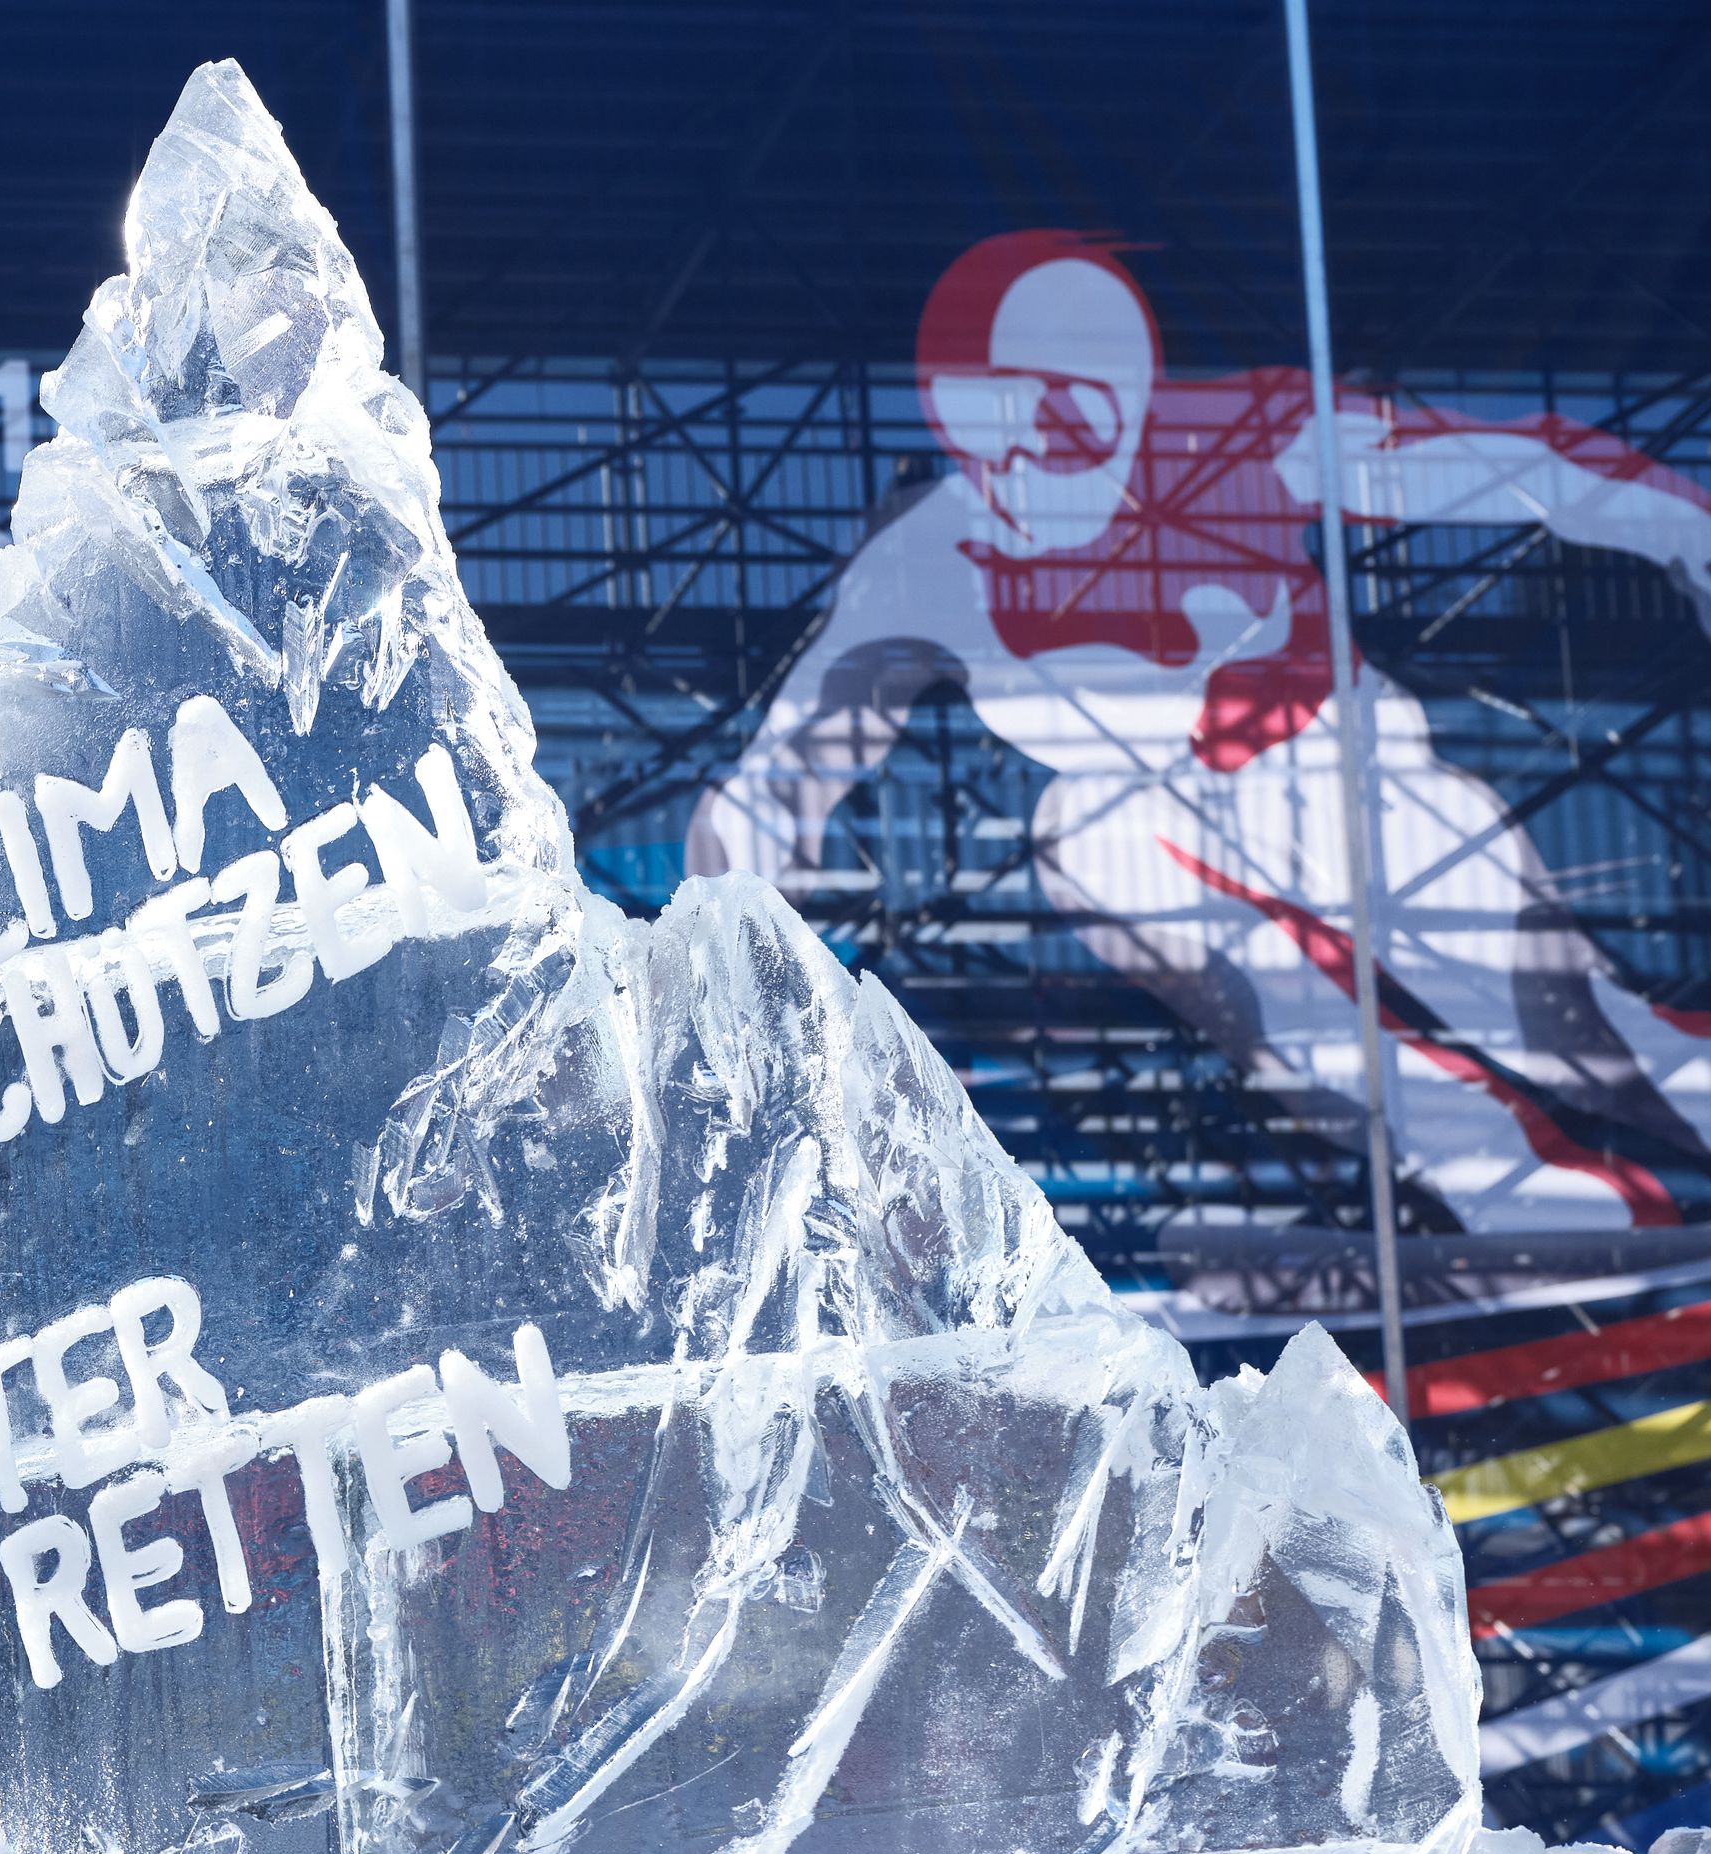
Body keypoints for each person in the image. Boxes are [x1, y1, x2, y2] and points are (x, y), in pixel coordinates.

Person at [693, 228, 1711, 1238]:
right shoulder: (928, 553)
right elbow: (793, 756)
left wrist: (1680, 525)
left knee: (1562, 1022)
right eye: (996, 416)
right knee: (1114, 859)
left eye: (1075, 409)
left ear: (1132, 396)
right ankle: (1544, 1203)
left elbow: (1506, 463)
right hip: (1148, 827)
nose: (1037, 450)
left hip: (1328, 764)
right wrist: (726, 916)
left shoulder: (1241, 437)